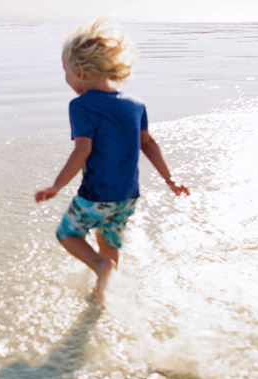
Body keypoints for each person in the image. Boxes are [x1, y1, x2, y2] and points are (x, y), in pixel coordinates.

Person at [35, 18, 189, 307]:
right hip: (127, 197)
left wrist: (57, 185)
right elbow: (148, 144)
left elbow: (83, 149)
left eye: (65, 72)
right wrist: (170, 179)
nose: (66, 79)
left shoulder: (81, 106)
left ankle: (99, 267)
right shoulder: (135, 104)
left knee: (67, 233)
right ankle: (103, 294)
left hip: (96, 194)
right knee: (109, 241)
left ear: (81, 72)